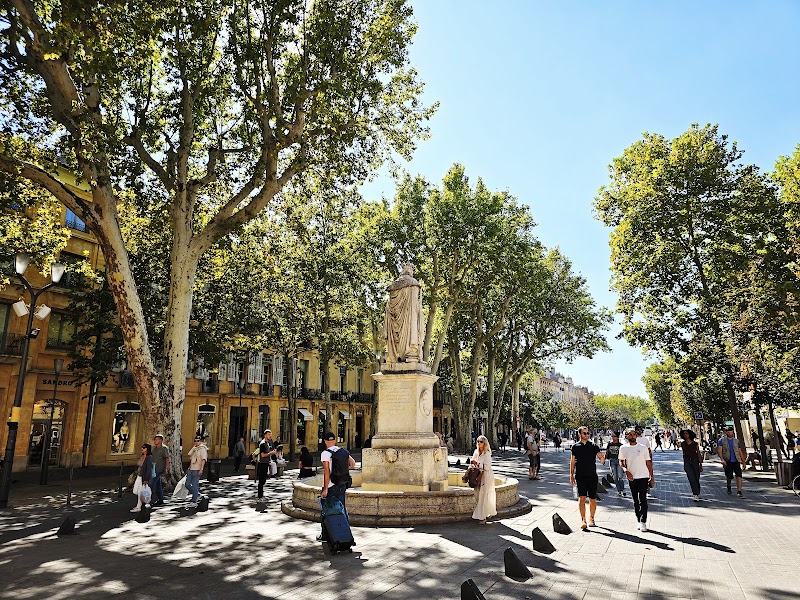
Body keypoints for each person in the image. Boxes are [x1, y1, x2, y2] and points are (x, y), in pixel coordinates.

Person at [318, 431, 356, 542]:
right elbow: (353, 463)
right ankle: (346, 535)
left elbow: (326, 472)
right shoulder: (343, 451)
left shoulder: (325, 453)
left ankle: (325, 536)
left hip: (331, 486)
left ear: (325, 441)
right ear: (334, 440)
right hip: (342, 484)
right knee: (342, 510)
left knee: (326, 511)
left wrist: (325, 489)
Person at [569, 425, 605, 531]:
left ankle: (592, 518)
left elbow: (601, 459)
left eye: (588, 433)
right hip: (580, 476)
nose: (587, 435)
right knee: (582, 498)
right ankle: (583, 520)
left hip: (592, 476)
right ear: (579, 434)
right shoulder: (575, 447)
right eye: (584, 433)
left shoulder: (593, 446)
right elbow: (572, 462)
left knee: (593, 499)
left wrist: (604, 457)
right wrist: (571, 475)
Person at [620, 429, 655, 531]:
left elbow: (648, 463)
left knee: (643, 499)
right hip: (632, 478)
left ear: (636, 436)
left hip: (643, 476)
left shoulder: (643, 448)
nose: (632, 436)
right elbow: (621, 463)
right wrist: (626, 471)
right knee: (635, 500)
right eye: (629, 434)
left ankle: (643, 521)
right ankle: (638, 520)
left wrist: (652, 477)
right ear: (627, 436)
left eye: (633, 434)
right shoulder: (623, 448)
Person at [471, 435, 497, 524]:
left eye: (481, 441)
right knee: (478, 495)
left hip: (486, 476)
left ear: (485, 443)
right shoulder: (476, 452)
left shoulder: (487, 453)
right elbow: (472, 462)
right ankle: (486, 512)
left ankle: (483, 517)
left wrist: (477, 464)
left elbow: (487, 467)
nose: (479, 443)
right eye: (478, 441)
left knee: (484, 496)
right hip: (477, 476)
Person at [717, 426, 746, 497]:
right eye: (729, 432)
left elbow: (739, 451)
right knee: (729, 476)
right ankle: (729, 485)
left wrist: (743, 462)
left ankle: (739, 491)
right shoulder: (722, 440)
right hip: (727, 461)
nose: (731, 433)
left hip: (736, 461)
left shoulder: (736, 441)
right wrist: (722, 459)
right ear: (726, 432)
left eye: (732, 432)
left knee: (739, 475)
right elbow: (719, 450)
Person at [131, 443, 154, 513]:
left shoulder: (149, 457)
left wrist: (146, 479)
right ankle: (143, 502)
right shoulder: (142, 456)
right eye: (142, 447)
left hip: (143, 477)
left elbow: (148, 469)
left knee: (139, 491)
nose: (142, 449)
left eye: (144, 448)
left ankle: (139, 506)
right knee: (135, 491)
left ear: (147, 449)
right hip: (138, 475)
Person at [681, 429, 703, 501]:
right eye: (684, 434)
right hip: (687, 462)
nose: (685, 435)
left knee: (696, 477)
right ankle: (695, 494)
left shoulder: (695, 444)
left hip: (695, 461)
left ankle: (697, 491)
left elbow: (698, 454)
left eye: (687, 434)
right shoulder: (683, 444)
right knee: (691, 478)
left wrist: (700, 463)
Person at [186, 436, 207, 508]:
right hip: (191, 468)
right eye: (195, 440)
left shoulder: (202, 449)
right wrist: (189, 467)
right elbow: (191, 458)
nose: (196, 442)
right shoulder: (194, 448)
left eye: (198, 440)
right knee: (187, 484)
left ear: (200, 441)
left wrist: (201, 469)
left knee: (195, 485)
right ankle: (197, 494)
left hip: (197, 469)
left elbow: (203, 460)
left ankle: (194, 501)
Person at [256, 429, 277, 503]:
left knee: (263, 480)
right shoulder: (262, 444)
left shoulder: (268, 443)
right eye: (268, 434)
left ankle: (261, 495)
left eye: (270, 434)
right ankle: (259, 497)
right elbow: (262, 455)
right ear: (265, 435)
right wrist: (271, 453)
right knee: (261, 480)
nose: (270, 436)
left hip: (266, 463)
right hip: (262, 464)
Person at [150, 434, 171, 507]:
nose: (155, 441)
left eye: (157, 439)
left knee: (152, 484)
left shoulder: (164, 448)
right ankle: (161, 499)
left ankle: (148, 499)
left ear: (161, 440)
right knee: (158, 485)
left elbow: (167, 458)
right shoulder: (154, 449)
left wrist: (166, 468)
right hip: (153, 468)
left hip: (159, 469)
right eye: (155, 439)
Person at [604, 432, 626, 497]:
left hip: (619, 461)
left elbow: (624, 454)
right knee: (615, 477)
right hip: (612, 460)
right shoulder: (609, 444)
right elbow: (607, 452)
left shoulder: (621, 445)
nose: (613, 437)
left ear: (618, 437)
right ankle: (619, 491)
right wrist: (604, 459)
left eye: (614, 436)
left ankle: (623, 489)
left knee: (620, 476)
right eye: (612, 436)